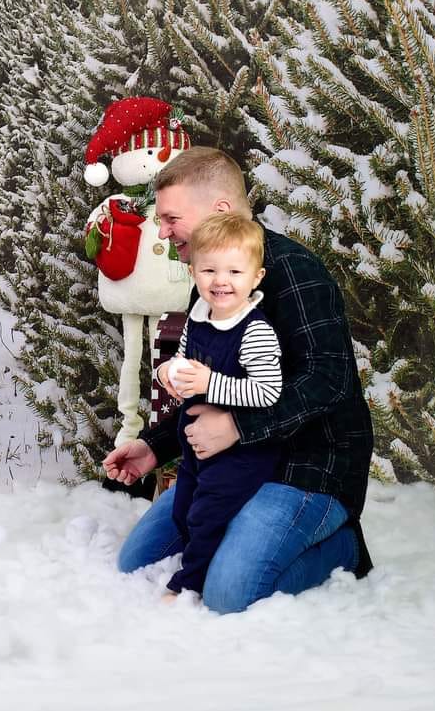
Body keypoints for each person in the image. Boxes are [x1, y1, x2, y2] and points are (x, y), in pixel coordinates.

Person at [102, 146, 373, 613]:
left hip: (306, 467)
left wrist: (238, 429)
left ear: (220, 210)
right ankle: (236, 523)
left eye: (170, 218)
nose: (162, 233)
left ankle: (344, 547)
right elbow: (206, 386)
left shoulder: (296, 272)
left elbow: (327, 381)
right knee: (136, 561)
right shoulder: (209, 282)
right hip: (227, 464)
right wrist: (155, 446)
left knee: (229, 593)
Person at [157, 213, 282, 598]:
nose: (221, 281)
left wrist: (211, 383)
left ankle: (188, 584)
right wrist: (170, 373)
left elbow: (267, 391)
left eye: (234, 271)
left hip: (239, 453)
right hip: (197, 447)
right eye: (209, 270)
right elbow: (182, 357)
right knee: (183, 510)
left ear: (256, 277)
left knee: (206, 514)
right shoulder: (197, 317)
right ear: (194, 271)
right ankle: (201, 554)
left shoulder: (255, 330)